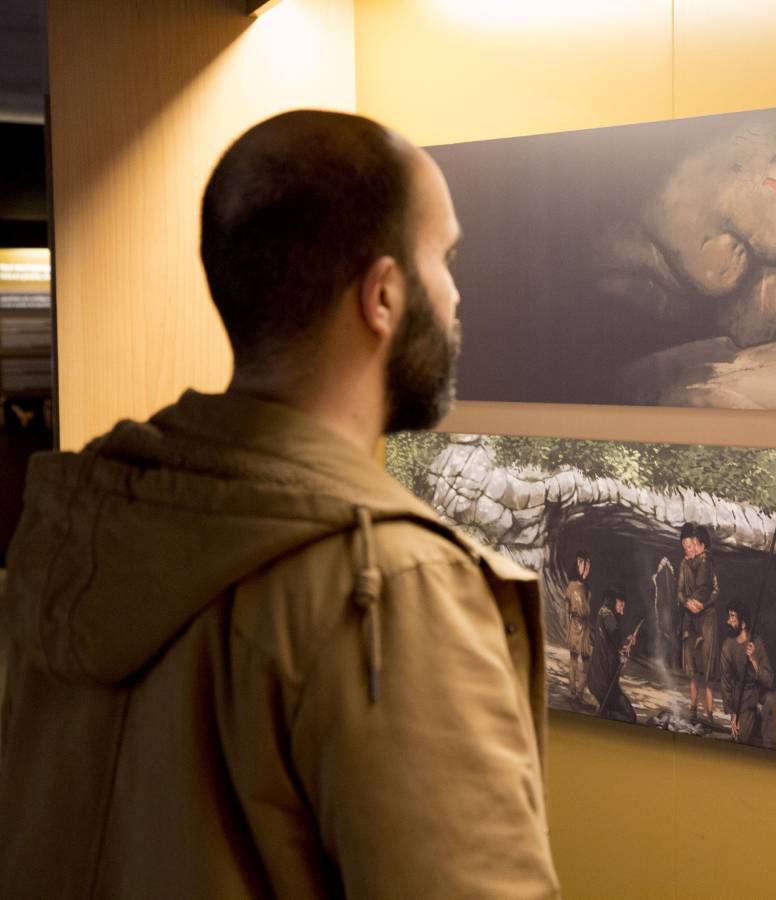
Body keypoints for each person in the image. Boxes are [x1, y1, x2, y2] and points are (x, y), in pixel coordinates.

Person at [0, 111, 559, 898]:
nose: (458, 293)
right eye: (447, 257)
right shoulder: (390, 585)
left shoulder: (77, 525)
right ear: (385, 295)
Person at [720, 603, 776, 749]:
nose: (728, 621)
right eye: (729, 617)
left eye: (732, 617)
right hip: (742, 695)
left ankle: (771, 748)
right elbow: (726, 682)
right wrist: (733, 713)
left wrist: (753, 660)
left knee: (770, 700)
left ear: (743, 623)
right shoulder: (728, 646)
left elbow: (769, 679)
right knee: (740, 737)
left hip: (759, 692)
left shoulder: (756, 642)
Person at [678, 523, 718, 725]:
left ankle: (709, 715)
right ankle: (693, 710)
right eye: (685, 547)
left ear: (698, 544)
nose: (689, 550)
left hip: (707, 619)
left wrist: (702, 604)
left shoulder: (707, 563)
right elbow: (679, 592)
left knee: (707, 669)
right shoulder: (684, 565)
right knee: (692, 668)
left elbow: (716, 591)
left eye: (691, 546)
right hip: (690, 619)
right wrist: (687, 602)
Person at [587, 587, 638, 723]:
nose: (622, 610)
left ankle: (606, 713)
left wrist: (625, 644)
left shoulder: (603, 612)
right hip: (605, 685)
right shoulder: (608, 614)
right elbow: (614, 633)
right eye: (621, 605)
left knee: (627, 714)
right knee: (630, 717)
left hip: (600, 682)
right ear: (614, 601)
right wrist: (623, 649)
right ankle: (606, 714)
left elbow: (612, 640)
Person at [564, 550, 594, 707]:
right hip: (575, 625)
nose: (587, 567)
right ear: (578, 565)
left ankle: (579, 693)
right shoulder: (572, 586)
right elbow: (567, 607)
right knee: (574, 659)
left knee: (587, 661)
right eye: (584, 563)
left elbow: (588, 607)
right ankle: (573, 691)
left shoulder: (587, 587)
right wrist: (569, 627)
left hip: (585, 627)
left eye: (589, 563)